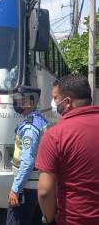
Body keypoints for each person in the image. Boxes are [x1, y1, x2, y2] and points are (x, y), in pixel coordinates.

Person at [36, 75, 99, 225]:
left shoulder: (55, 135)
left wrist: (49, 219)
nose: (54, 103)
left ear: (68, 102)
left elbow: (45, 191)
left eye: (56, 98)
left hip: (73, 220)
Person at [6, 87, 49, 225]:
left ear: (30, 103)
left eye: (20, 100)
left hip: (27, 188)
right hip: (36, 186)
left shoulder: (30, 127)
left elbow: (28, 161)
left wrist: (15, 189)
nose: (16, 103)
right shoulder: (40, 119)